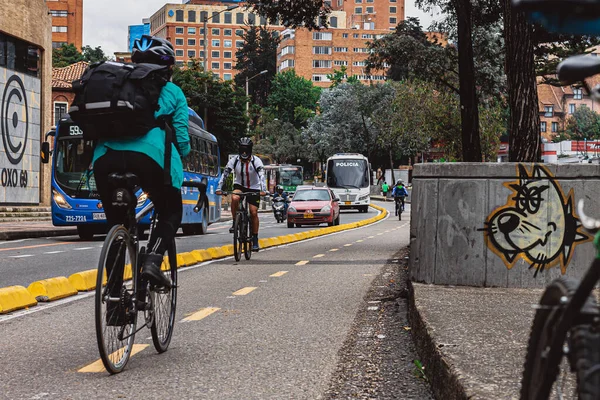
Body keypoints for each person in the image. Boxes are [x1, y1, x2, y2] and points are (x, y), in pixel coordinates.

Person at [92, 35, 190, 291]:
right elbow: (181, 139)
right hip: (149, 160)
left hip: (104, 160)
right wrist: (183, 156)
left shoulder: (116, 87)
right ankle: (153, 261)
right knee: (171, 211)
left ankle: (114, 301)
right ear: (168, 67)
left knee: (116, 225)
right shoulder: (172, 92)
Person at [216, 137, 267, 251]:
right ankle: (235, 222)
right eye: (242, 150)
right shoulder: (234, 160)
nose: (244, 154)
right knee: (234, 198)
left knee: (253, 212)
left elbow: (262, 176)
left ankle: (254, 238)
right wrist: (219, 187)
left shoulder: (256, 161)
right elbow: (225, 174)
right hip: (239, 185)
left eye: (246, 150)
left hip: (254, 187)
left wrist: (264, 190)